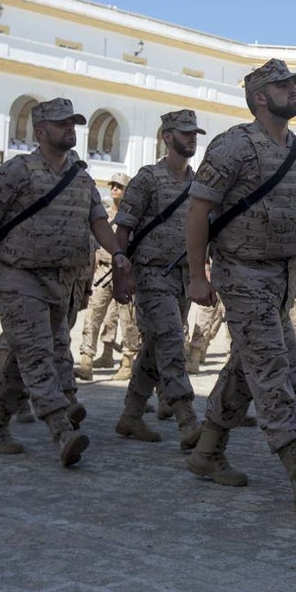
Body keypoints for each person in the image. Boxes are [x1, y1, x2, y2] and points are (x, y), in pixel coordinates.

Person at [185, 58, 296, 511]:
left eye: (295, 85)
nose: (294, 91)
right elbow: (198, 211)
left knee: (248, 366)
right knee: (275, 370)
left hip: (284, 277)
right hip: (242, 271)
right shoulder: (233, 147)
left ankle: (207, 452)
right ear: (260, 96)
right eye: (284, 86)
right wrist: (195, 275)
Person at [0, 98, 134, 467]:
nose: (70, 129)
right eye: (61, 124)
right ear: (40, 132)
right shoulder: (17, 171)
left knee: (31, 356)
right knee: (39, 355)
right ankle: (61, 429)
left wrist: (118, 254)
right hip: (20, 276)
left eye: (73, 123)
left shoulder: (81, 176)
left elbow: (98, 222)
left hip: (63, 282)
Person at [110, 109, 206, 450]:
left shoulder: (197, 184)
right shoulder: (148, 178)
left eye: (195, 132)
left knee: (154, 348)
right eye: (185, 133)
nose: (192, 137)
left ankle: (131, 416)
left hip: (180, 278)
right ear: (167, 137)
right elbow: (124, 228)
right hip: (150, 274)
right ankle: (186, 418)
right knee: (169, 339)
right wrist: (122, 276)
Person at [74, 171, 139, 380]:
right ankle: (86, 360)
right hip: (102, 270)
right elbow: (93, 247)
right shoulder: (102, 216)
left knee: (127, 319)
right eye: (113, 186)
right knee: (93, 315)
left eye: (119, 186)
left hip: (124, 272)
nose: (114, 190)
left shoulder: (133, 218)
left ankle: (128, 361)